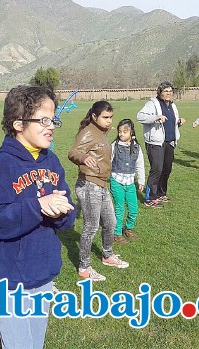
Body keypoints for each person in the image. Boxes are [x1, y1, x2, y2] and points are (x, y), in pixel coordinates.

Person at [0, 85, 76, 349]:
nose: (51, 126)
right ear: (18, 124)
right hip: (11, 279)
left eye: (53, 119)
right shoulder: (4, 165)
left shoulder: (51, 161)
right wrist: (38, 207)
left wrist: (61, 213)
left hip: (42, 272)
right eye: (43, 120)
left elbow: (68, 214)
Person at [69, 101, 129, 282]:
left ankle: (107, 255)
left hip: (101, 184)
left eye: (111, 117)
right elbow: (73, 152)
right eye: (105, 117)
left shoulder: (101, 132)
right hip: (89, 184)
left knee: (110, 222)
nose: (109, 121)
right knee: (91, 226)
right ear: (94, 117)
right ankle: (84, 267)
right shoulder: (89, 132)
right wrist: (84, 157)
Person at [137, 81, 186, 208]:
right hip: (155, 142)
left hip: (169, 141)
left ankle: (161, 193)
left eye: (170, 91)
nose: (168, 93)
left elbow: (171, 123)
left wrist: (179, 122)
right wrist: (155, 117)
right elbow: (140, 116)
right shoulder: (152, 104)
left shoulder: (172, 105)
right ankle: (150, 198)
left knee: (167, 169)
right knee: (156, 169)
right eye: (165, 91)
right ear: (160, 92)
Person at [109, 119, 145, 244]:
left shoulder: (136, 147)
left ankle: (128, 228)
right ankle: (117, 233)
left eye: (125, 131)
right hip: (116, 181)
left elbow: (140, 164)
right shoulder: (114, 145)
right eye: (119, 131)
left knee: (133, 208)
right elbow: (108, 160)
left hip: (130, 183)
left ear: (131, 132)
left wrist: (141, 181)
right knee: (120, 208)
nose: (121, 134)